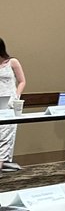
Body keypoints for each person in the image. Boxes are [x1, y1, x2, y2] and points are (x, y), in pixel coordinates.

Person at [0, 37, 27, 171]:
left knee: (6, 134)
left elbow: (22, 81)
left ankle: (2, 161)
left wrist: (16, 96)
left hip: (9, 103)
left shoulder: (12, 62)